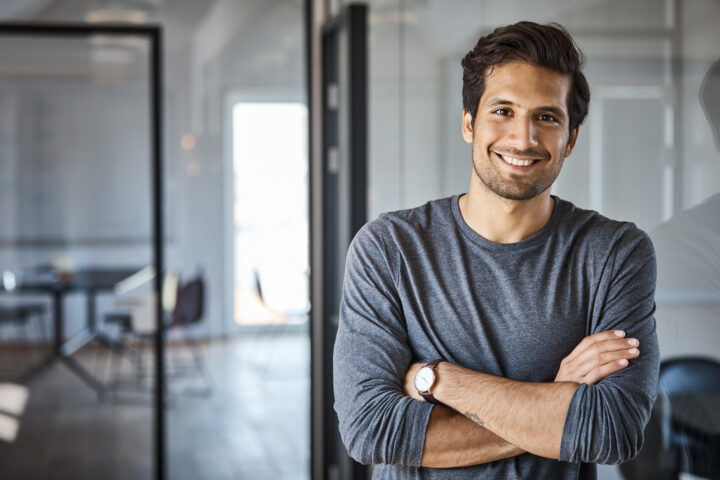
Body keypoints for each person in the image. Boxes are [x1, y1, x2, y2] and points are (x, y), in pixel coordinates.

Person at [333, 21, 660, 479]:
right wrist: (555, 395)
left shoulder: (614, 253)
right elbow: (371, 430)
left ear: (571, 138)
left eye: (546, 117)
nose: (523, 139)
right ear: (469, 123)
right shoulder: (389, 248)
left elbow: (611, 430)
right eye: (503, 111)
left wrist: (436, 379)